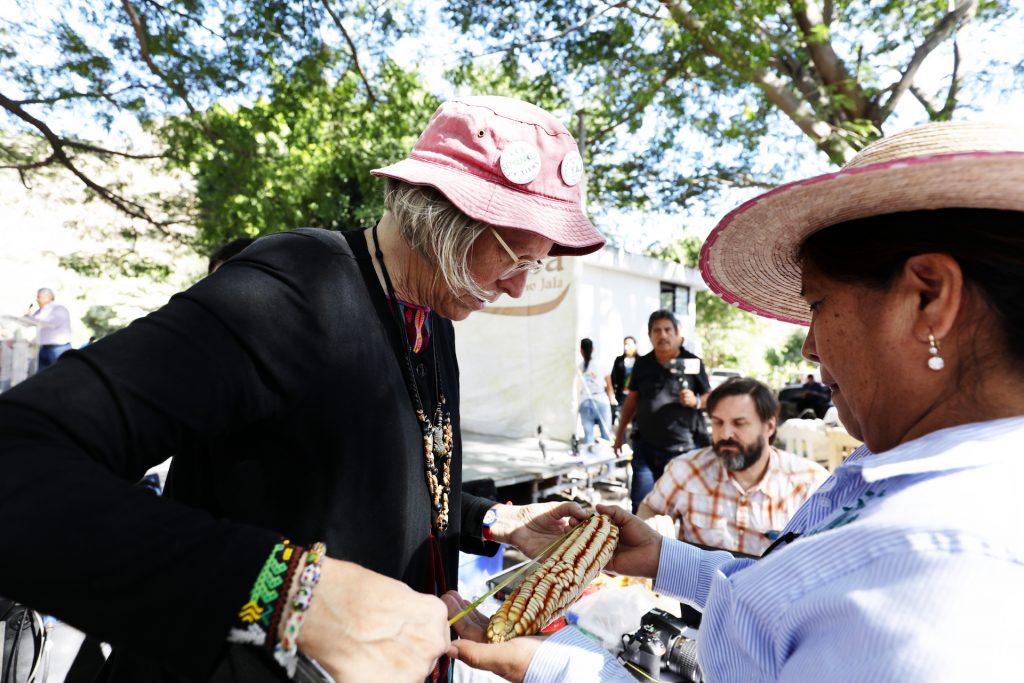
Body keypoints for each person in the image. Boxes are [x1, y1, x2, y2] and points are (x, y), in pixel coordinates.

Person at [0, 96, 605, 683]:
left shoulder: (432, 318)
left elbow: (390, 484)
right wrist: (293, 596)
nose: (518, 289)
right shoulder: (294, 289)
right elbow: (20, 459)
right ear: (442, 215)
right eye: (515, 259)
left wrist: (499, 519)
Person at [443, 121, 1024, 682]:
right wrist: (665, 560)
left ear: (929, 297)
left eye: (817, 304)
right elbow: (790, 604)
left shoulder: (942, 566)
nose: (809, 346)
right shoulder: (891, 477)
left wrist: (550, 667)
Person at [638, 377, 828, 557]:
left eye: (739, 423)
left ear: (769, 427)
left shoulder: (810, 483)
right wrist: (653, 525)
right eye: (718, 422)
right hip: (697, 589)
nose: (725, 434)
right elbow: (650, 508)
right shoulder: (687, 469)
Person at [613, 310, 710, 512]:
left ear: (677, 334)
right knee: (641, 507)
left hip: (682, 452)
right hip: (645, 449)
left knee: (682, 509)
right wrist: (619, 433)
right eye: (657, 331)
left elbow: (711, 398)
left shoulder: (693, 362)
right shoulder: (642, 363)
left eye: (667, 330)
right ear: (650, 336)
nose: (662, 335)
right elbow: (632, 399)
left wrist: (696, 401)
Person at [577, 338, 613, 448]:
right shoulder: (601, 364)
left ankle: (590, 464)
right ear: (593, 349)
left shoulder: (579, 367)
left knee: (589, 438)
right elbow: (609, 385)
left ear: (581, 350)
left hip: (585, 401)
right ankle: (610, 465)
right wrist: (612, 399)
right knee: (606, 437)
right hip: (601, 400)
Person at [27, 288, 72, 370]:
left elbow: (49, 323)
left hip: (58, 349)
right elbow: (29, 323)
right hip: (44, 348)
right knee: (42, 376)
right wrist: (26, 318)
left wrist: (31, 319)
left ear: (48, 297)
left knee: (59, 374)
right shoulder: (39, 312)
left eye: (39, 297)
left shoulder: (59, 309)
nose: (37, 300)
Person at [606, 336, 637, 423]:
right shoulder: (619, 360)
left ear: (635, 346)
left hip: (636, 396)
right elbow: (612, 378)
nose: (626, 347)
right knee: (621, 420)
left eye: (628, 345)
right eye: (624, 345)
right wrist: (611, 395)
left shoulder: (640, 361)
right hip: (621, 396)